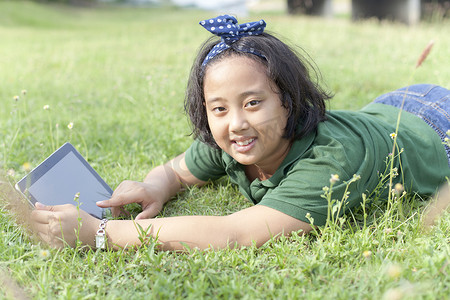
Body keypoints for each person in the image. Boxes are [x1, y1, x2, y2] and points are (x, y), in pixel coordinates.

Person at [30, 15, 450, 250]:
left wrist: (102, 233)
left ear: (289, 99)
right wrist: (154, 185)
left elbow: (238, 232)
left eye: (253, 102)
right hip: (387, 107)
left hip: (436, 124)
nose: (236, 123)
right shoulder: (233, 141)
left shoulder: (330, 160)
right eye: (219, 108)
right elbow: (175, 171)